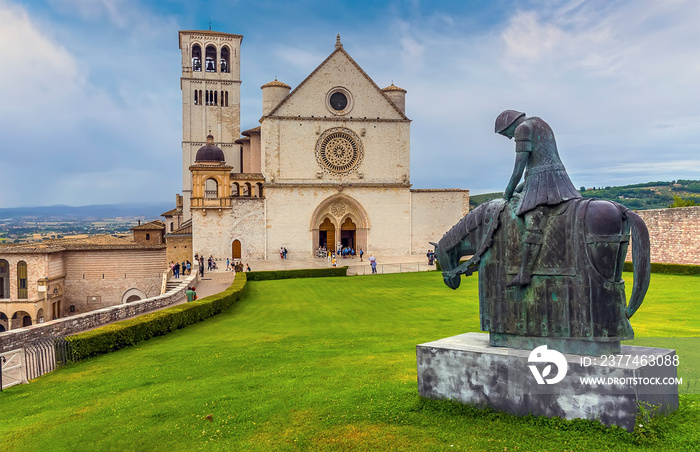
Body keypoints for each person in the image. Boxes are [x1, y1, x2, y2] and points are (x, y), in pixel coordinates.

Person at [495, 110, 581, 287]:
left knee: (532, 220)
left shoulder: (522, 129)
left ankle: (524, 273)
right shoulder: (540, 123)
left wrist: (508, 192)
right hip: (550, 178)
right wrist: (518, 189)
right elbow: (534, 169)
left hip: (545, 182)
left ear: (509, 125)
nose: (509, 138)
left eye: (506, 134)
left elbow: (519, 168)